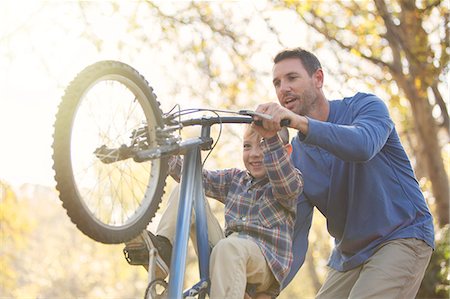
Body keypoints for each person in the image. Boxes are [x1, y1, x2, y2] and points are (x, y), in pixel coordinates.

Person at [253, 47, 435, 298]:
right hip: (348, 257)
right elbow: (296, 238)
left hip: (401, 236)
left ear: (318, 79)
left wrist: (299, 124)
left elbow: (362, 145)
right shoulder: (295, 158)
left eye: (292, 78)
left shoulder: (366, 107)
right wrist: (268, 291)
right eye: (277, 83)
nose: (283, 88)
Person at [124, 125, 303, 298]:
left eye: (264, 145)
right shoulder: (235, 179)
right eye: (247, 146)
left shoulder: (288, 183)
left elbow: (285, 180)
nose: (255, 154)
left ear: (285, 152)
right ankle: (163, 252)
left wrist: (272, 137)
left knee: (229, 247)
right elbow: (193, 176)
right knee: (187, 189)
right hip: (226, 254)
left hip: (264, 263)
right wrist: (162, 151)